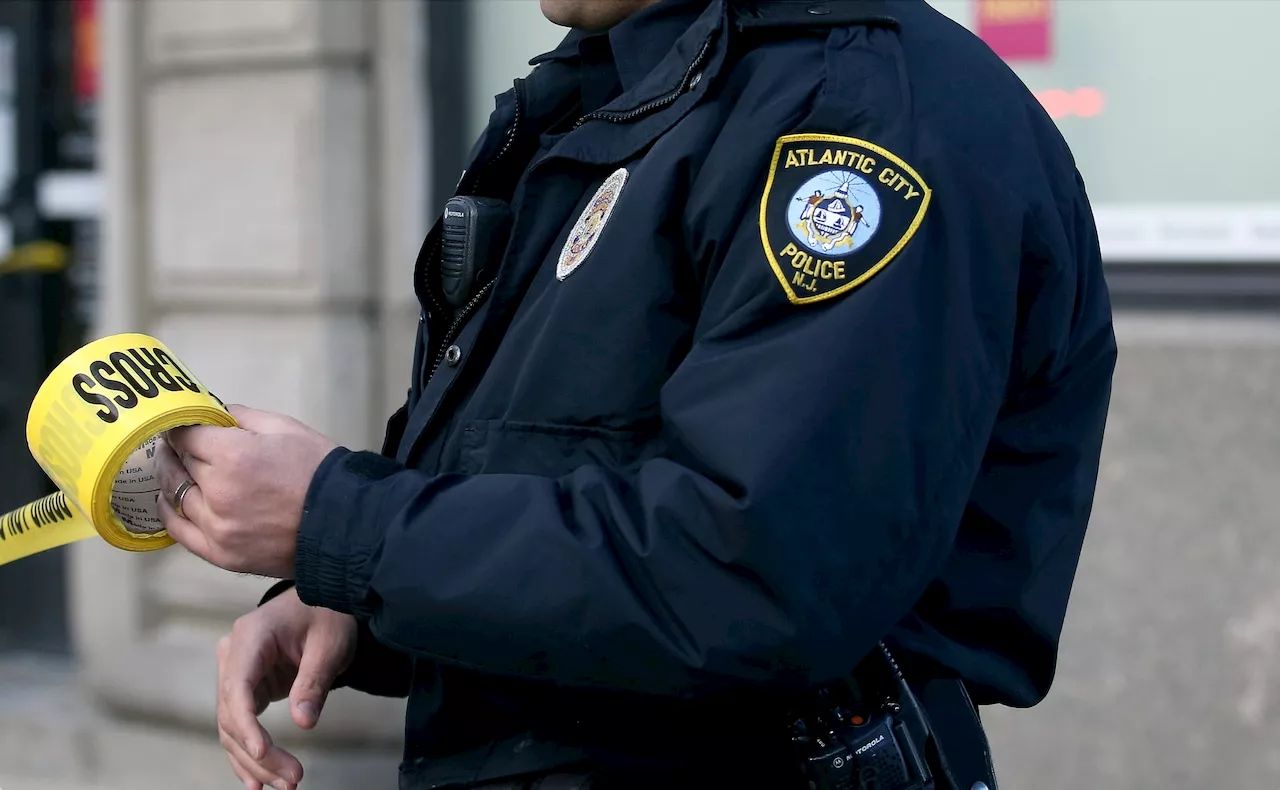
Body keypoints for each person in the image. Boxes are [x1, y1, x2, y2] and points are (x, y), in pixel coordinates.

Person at [154, 0, 1118, 788]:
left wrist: (344, 523)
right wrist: (360, 605)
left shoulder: (856, 113)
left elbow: (756, 573)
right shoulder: (637, 89)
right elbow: (557, 471)